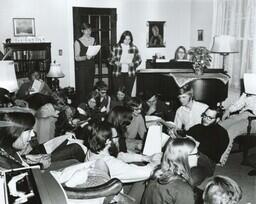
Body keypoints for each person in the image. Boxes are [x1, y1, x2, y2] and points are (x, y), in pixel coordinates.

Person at [141, 137, 198, 204]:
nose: (198, 157)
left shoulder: (158, 172)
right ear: (184, 158)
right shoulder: (183, 189)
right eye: (196, 154)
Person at [187, 107, 229, 186]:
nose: (205, 119)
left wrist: (197, 145)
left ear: (217, 119)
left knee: (191, 180)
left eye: (210, 118)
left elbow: (214, 155)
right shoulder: (197, 127)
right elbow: (187, 136)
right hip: (186, 156)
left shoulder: (221, 133)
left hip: (204, 163)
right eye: (205, 115)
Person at [109, 30, 142, 95]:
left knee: (128, 94)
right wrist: (115, 62)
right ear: (122, 39)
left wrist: (134, 64)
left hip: (130, 74)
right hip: (118, 73)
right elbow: (110, 59)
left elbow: (139, 60)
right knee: (118, 93)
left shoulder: (134, 48)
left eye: (129, 39)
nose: (127, 41)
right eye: (125, 39)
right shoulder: (116, 47)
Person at [74, 23, 95, 103]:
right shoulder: (78, 42)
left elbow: (93, 54)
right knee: (82, 89)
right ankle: (82, 108)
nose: (88, 32)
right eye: (86, 30)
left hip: (91, 67)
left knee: (90, 88)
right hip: (82, 68)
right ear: (82, 31)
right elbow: (76, 58)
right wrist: (86, 57)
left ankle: (90, 106)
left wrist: (93, 55)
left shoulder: (93, 39)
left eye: (89, 30)